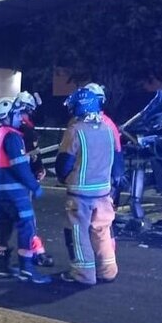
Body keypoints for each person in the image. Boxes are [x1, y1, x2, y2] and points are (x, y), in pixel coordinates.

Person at [55, 86, 123, 285]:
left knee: (79, 233)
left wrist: (64, 177)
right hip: (103, 193)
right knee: (102, 231)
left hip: (80, 194)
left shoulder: (75, 130)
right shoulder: (108, 129)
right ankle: (108, 270)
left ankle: (84, 274)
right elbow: (116, 159)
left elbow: (64, 162)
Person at [0, 91, 55, 267]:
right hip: (17, 185)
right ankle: (29, 263)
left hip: (4, 186)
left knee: (7, 223)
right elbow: (21, 162)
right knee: (26, 222)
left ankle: (1, 257)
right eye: (22, 111)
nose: (24, 115)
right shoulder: (15, 133)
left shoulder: (0, 133)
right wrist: (33, 182)